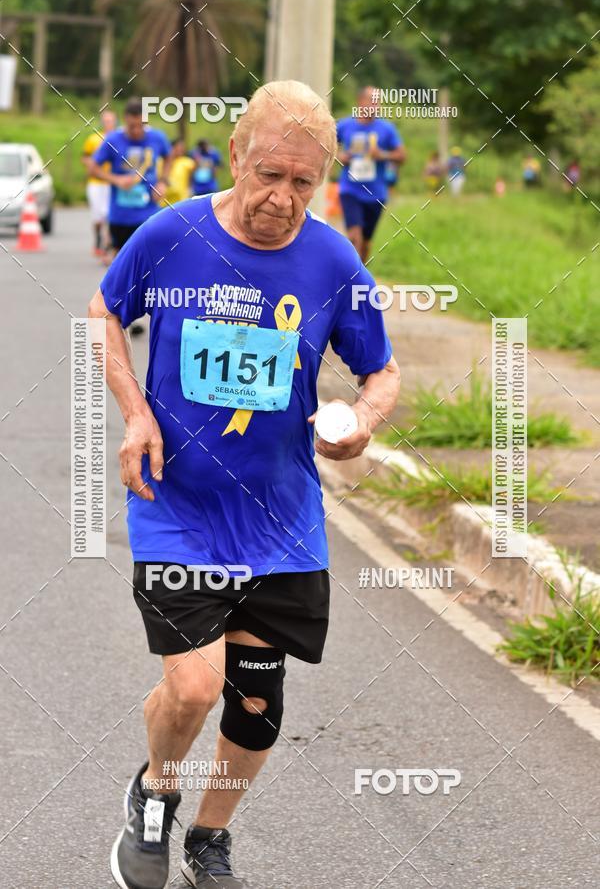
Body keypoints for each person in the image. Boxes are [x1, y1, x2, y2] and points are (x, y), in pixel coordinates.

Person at [88, 79, 400, 889]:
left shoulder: (333, 257)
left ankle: (209, 838)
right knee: (192, 685)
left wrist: (361, 420)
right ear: (235, 156)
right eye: (269, 173)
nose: (282, 197)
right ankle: (156, 791)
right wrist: (135, 414)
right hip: (177, 506)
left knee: (257, 704)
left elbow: (383, 370)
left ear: (323, 178)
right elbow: (103, 311)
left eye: (303, 181)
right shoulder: (171, 233)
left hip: (282, 517)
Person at [88, 97, 172, 334]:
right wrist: (116, 180)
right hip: (120, 216)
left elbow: (169, 157)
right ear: (125, 121)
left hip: (148, 214)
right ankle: (118, 312)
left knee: (151, 265)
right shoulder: (114, 139)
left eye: (140, 126)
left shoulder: (158, 138)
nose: (136, 131)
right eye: (131, 126)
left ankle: (145, 317)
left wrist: (163, 181)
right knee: (121, 266)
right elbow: (93, 167)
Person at [336, 86, 406, 262]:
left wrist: (383, 155)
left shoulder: (387, 129)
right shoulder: (345, 125)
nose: (376, 105)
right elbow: (326, 147)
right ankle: (351, 276)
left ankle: (361, 273)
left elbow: (402, 155)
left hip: (376, 193)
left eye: (378, 101)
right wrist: (340, 156)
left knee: (366, 241)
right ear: (360, 102)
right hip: (349, 189)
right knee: (354, 235)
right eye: (372, 100)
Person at [82, 109, 117, 257]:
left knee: (109, 214)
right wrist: (93, 166)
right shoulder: (93, 139)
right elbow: (85, 157)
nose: (108, 123)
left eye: (111, 120)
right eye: (106, 120)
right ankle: (98, 239)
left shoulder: (119, 138)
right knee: (98, 216)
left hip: (113, 183)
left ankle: (108, 244)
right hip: (96, 183)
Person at [162, 138, 195, 205]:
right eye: (177, 147)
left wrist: (190, 189)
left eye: (182, 148)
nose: (180, 149)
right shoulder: (163, 162)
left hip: (182, 199)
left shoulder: (186, 162)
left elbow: (192, 176)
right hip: (164, 200)